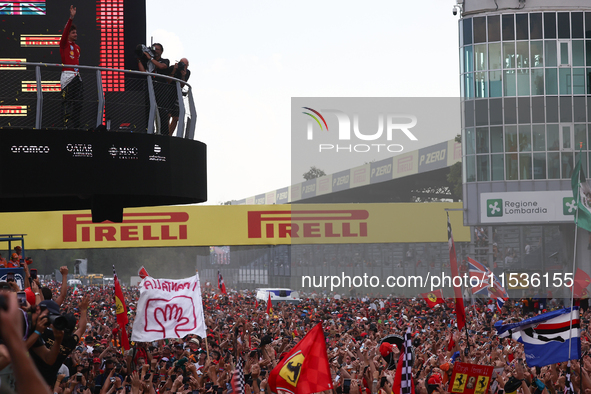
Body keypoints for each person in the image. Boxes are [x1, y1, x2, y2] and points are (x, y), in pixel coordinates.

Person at [137, 43, 171, 134]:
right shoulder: (148, 61)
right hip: (150, 88)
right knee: (148, 110)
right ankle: (148, 131)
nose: (155, 50)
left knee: (162, 112)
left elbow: (162, 66)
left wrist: (150, 58)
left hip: (161, 90)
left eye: (157, 49)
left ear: (161, 51)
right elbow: (143, 72)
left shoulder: (165, 60)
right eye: (154, 48)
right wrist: (139, 60)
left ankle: (164, 133)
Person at [60, 5, 83, 129]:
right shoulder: (64, 44)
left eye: (76, 32)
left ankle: (76, 125)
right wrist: (71, 18)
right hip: (67, 77)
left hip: (77, 76)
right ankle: (66, 126)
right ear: (68, 34)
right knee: (67, 103)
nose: (75, 34)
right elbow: (65, 32)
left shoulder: (78, 48)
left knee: (79, 102)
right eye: (73, 32)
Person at [166, 58, 191, 136]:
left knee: (176, 117)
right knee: (167, 115)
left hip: (177, 95)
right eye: (181, 63)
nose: (183, 66)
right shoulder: (172, 68)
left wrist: (183, 76)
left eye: (185, 65)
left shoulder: (187, 72)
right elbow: (168, 81)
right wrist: (174, 70)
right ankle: (165, 133)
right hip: (168, 93)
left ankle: (169, 135)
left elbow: (182, 85)